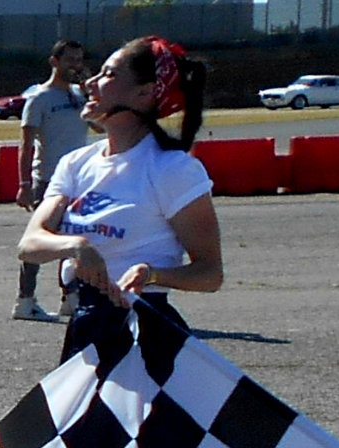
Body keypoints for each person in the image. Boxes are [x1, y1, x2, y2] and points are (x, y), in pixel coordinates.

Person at [17, 36, 222, 364]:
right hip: (86, 325)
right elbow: (30, 244)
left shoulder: (173, 169)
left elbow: (210, 274)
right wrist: (77, 246)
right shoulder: (76, 164)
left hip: (145, 332)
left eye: (109, 75)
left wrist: (151, 274)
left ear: (144, 92)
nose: (91, 83)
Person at [11, 39, 90, 322]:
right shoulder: (39, 98)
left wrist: (90, 96)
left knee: (73, 240)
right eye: (70, 60)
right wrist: (24, 185)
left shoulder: (79, 96)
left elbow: (98, 125)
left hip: (79, 181)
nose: (75, 66)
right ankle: (25, 300)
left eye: (79, 60)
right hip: (48, 181)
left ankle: (70, 296)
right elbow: (26, 144)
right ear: (55, 62)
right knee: (41, 239)